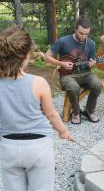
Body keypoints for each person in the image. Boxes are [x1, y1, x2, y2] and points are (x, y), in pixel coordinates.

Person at [0, 27, 73, 191]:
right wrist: (63, 132)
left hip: (8, 147)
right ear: (25, 56)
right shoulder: (38, 83)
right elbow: (52, 115)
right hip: (38, 148)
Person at [45, 17, 101, 124]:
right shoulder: (63, 41)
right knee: (73, 87)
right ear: (75, 29)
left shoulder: (91, 44)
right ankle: (76, 112)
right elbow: (47, 56)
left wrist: (91, 64)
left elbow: (91, 63)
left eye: (86, 34)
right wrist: (61, 63)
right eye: (81, 33)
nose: (83, 37)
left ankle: (89, 111)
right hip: (67, 75)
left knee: (97, 84)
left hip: (85, 73)